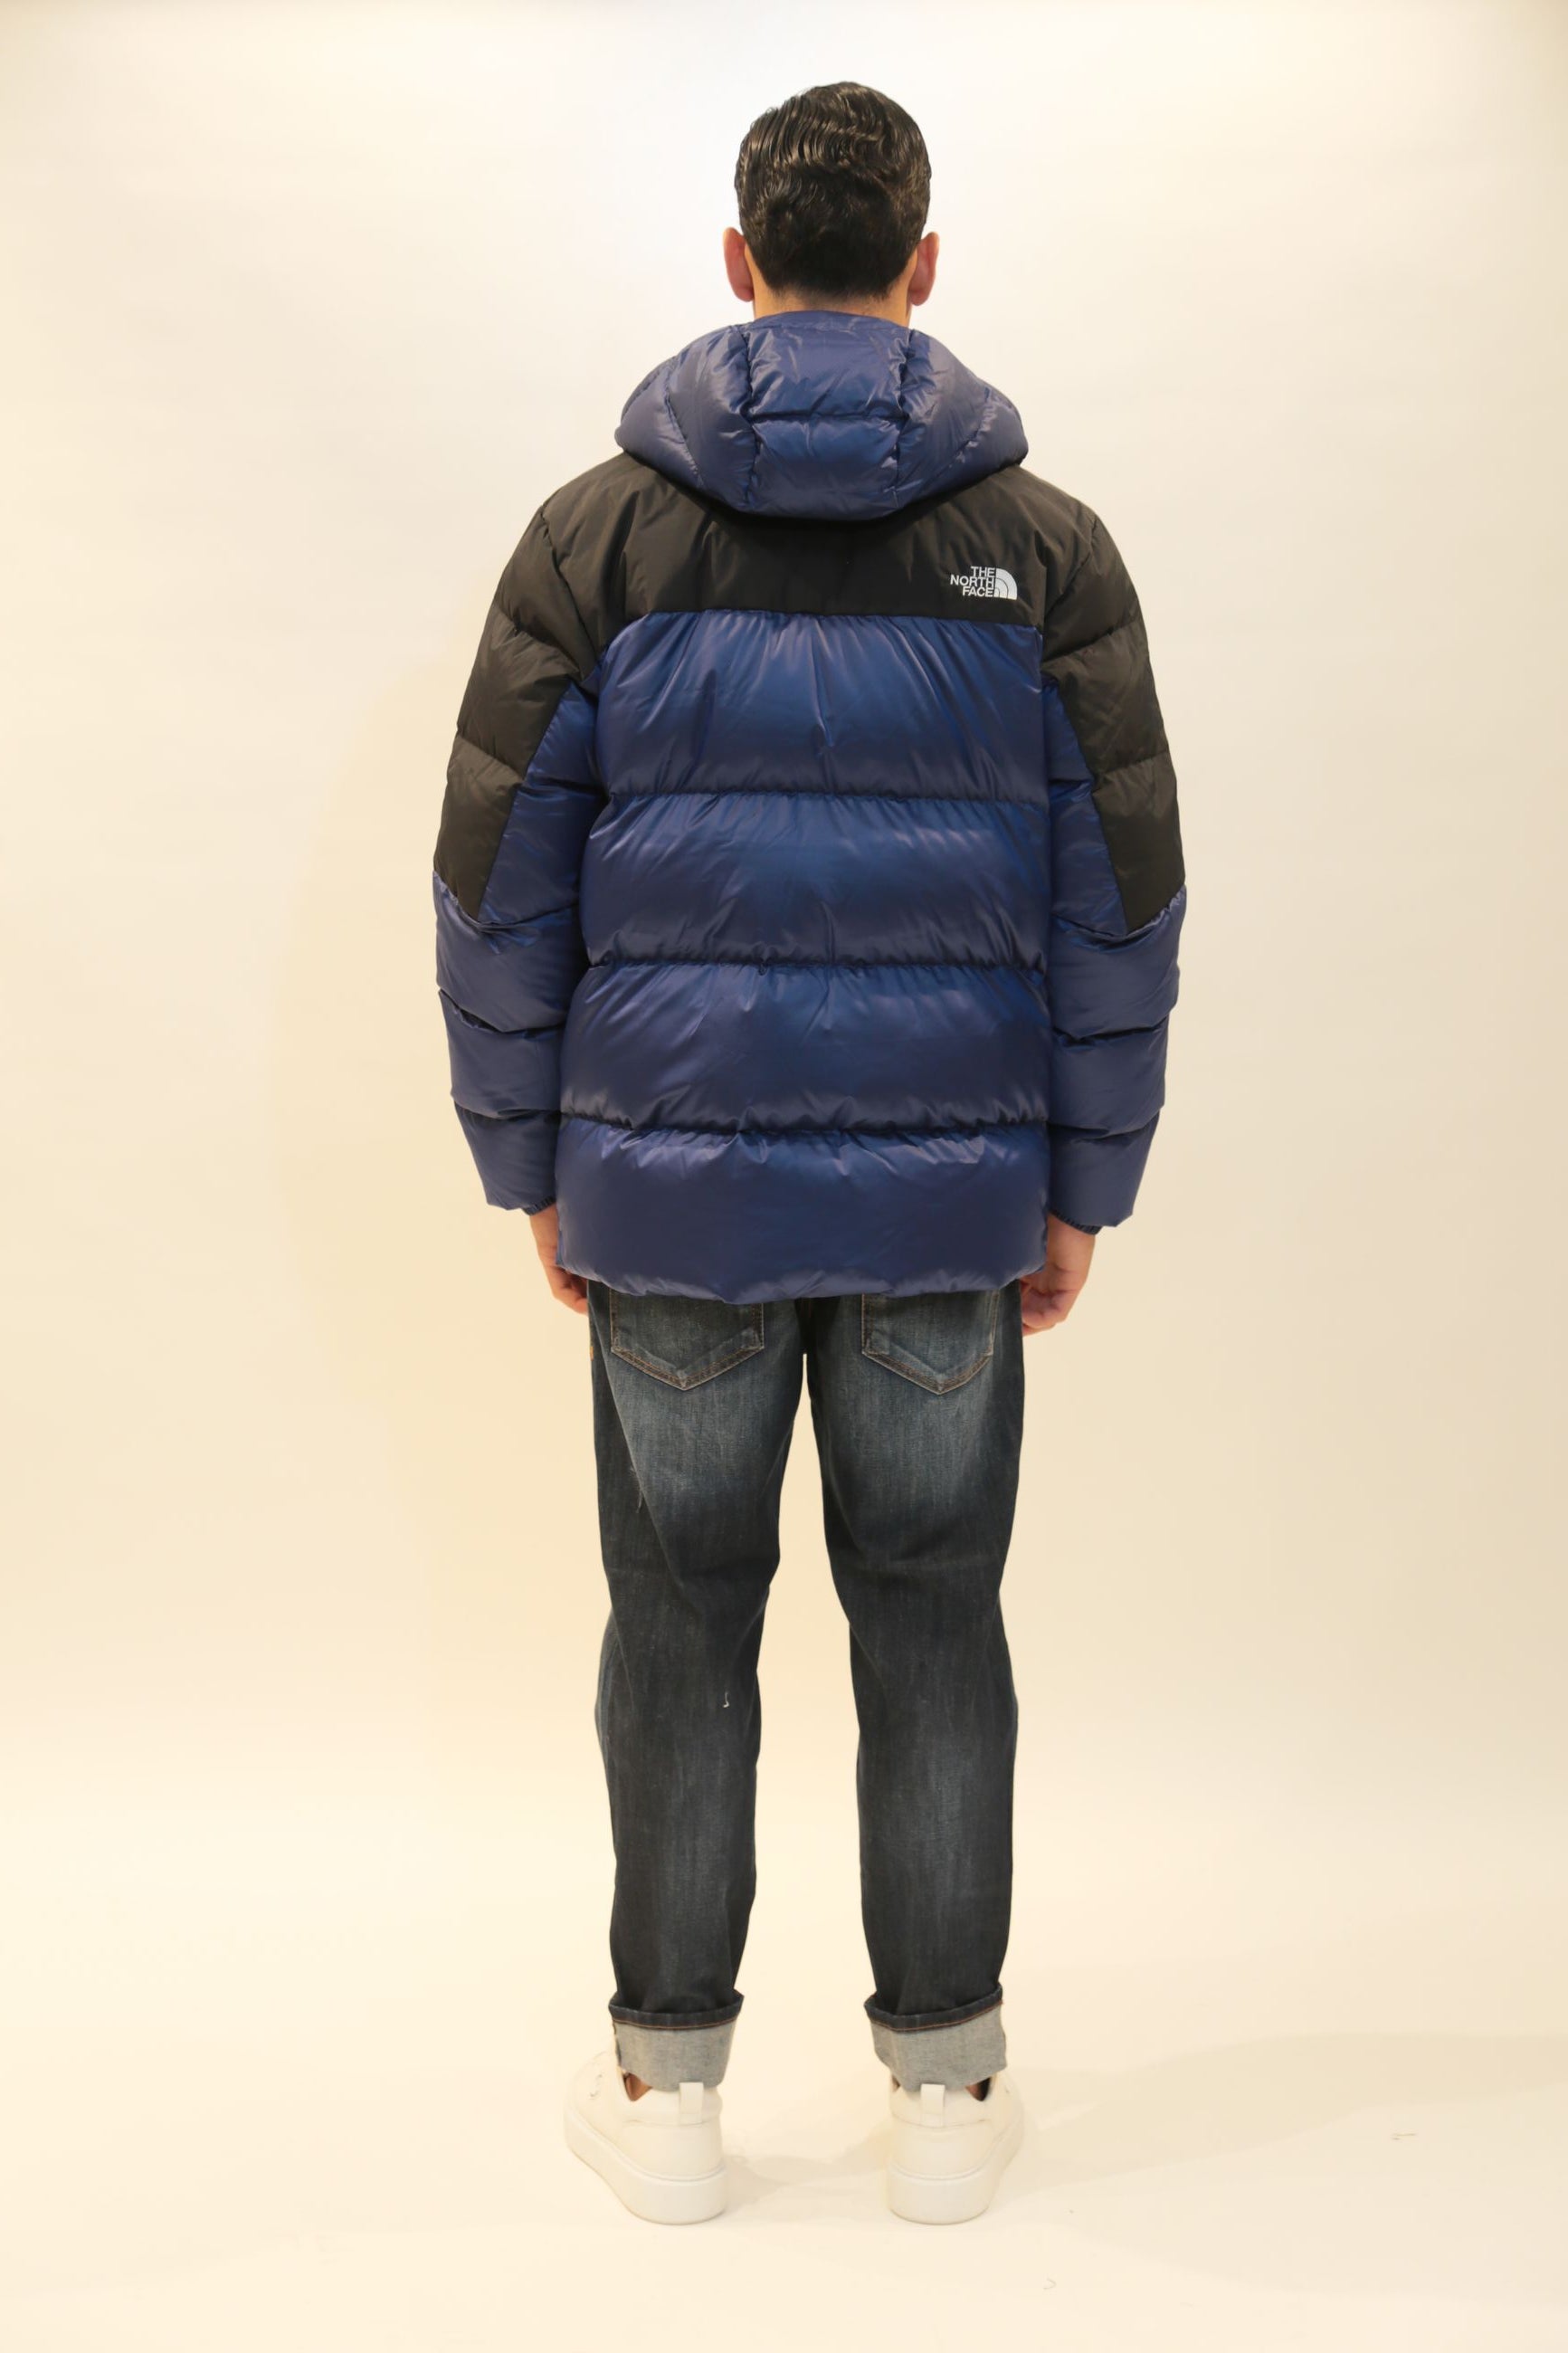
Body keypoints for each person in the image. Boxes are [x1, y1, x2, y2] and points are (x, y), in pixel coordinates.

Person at [432, 81, 1185, 2226]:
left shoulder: (595, 539)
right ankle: (947, 2099)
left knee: (679, 1623)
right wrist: (1083, 1184)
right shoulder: (1045, 551)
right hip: (951, 1202)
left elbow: (494, 890)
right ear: (922, 263)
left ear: (738, 260)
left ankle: (666, 2095)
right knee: (935, 1619)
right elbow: (1124, 900)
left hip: (670, 1195)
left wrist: (530, 1160)